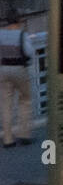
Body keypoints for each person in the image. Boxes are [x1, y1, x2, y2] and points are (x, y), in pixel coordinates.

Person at [0, 10, 34, 149]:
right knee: (25, 100)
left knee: (6, 104)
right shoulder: (22, 34)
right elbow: (29, 52)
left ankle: (8, 139)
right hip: (19, 69)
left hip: (3, 70)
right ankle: (24, 134)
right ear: (18, 20)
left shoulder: (0, 33)